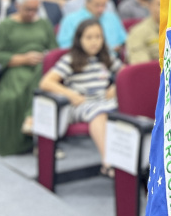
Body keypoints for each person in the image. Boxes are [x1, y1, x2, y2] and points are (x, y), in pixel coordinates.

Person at [39, 19, 123, 175]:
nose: (94, 42)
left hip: (104, 101)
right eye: (89, 38)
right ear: (79, 40)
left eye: (98, 37)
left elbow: (126, 74)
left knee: (128, 109)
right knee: (99, 113)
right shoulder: (70, 59)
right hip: (80, 104)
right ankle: (108, 162)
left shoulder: (106, 58)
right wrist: (70, 94)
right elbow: (46, 82)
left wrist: (116, 86)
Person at [0, 0, 56, 156]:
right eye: (28, 9)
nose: (32, 13)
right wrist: (23, 59)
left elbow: (55, 50)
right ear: (17, 6)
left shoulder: (44, 24)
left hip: (41, 68)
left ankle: (32, 122)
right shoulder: (6, 25)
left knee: (41, 83)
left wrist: (43, 56)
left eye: (35, 9)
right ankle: (16, 142)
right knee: (11, 97)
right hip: (15, 68)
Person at [57, 0, 126, 54]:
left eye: (104, 5)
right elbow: (65, 47)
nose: (100, 9)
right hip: (82, 60)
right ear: (87, 3)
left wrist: (118, 48)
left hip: (112, 60)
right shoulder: (70, 20)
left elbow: (124, 41)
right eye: (97, 5)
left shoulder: (112, 17)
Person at [126, 0, 160, 64]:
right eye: (160, 4)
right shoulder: (138, 32)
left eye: (169, 4)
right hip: (154, 73)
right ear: (150, 6)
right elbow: (142, 67)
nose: (166, 8)